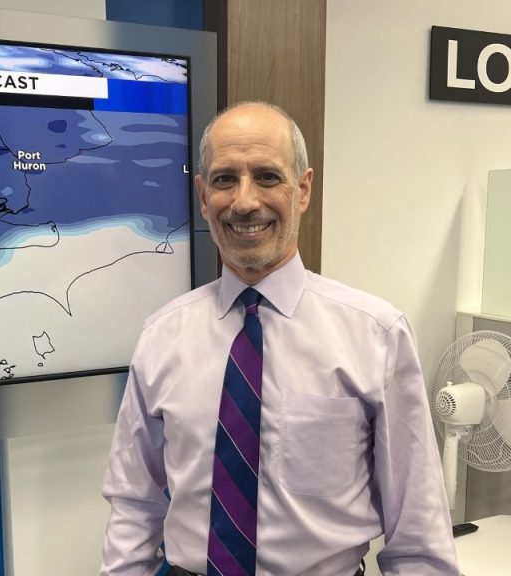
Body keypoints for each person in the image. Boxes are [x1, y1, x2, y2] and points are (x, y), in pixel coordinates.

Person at [99, 102, 458, 575]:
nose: (245, 201)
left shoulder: (376, 335)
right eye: (226, 179)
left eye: (267, 177)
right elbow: (134, 505)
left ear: (303, 189)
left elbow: (418, 536)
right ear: (203, 196)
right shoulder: (162, 336)